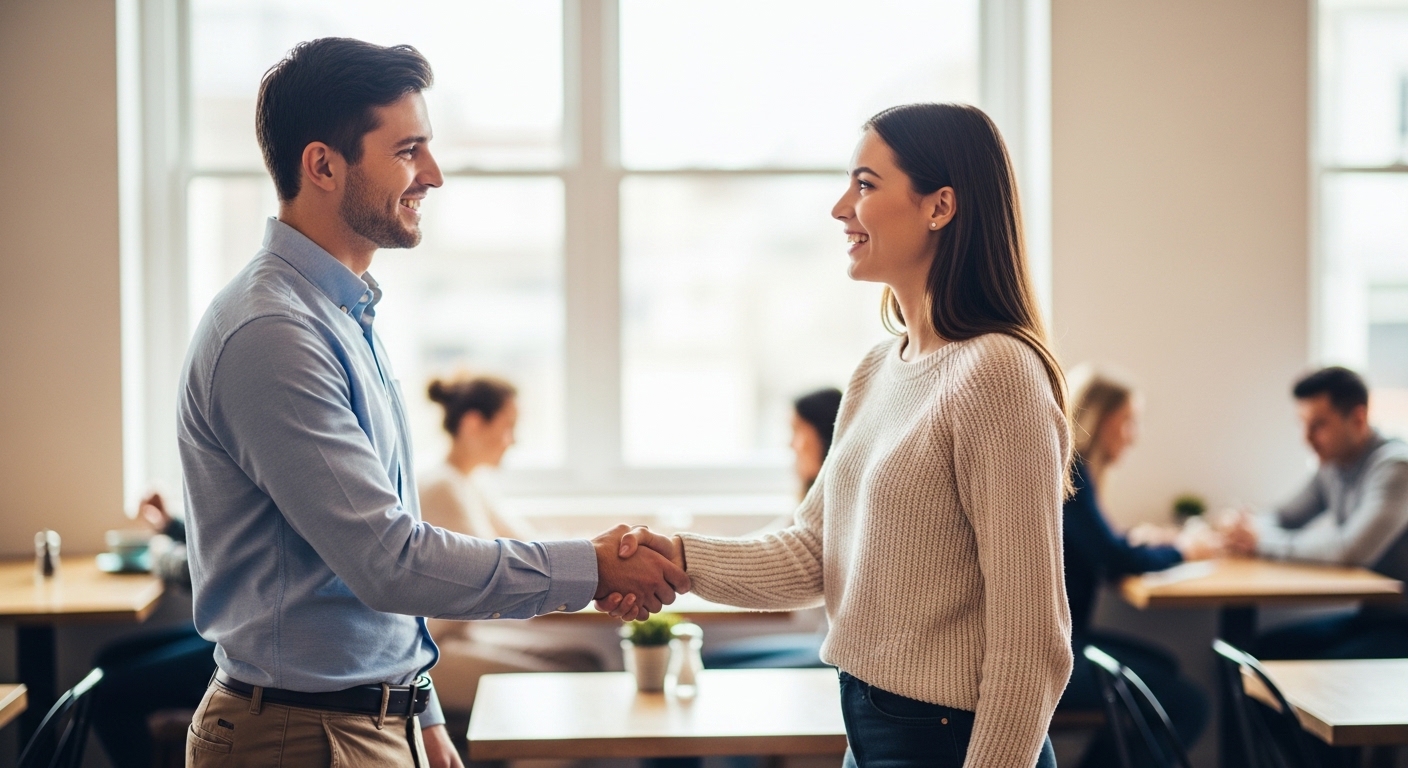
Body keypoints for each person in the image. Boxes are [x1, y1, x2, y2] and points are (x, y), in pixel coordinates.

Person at [177, 38, 685, 768]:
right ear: (323, 165)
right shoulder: (273, 334)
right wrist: (595, 568)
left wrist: (422, 710)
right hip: (302, 737)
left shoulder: (341, 316)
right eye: (408, 150)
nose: (434, 174)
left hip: (369, 721)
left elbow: (373, 563)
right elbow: (390, 561)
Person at [618, 103, 1073, 768]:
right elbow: (813, 553)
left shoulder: (997, 373)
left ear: (940, 206)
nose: (840, 209)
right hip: (870, 722)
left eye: (864, 184)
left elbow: (1033, 640)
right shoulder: (878, 369)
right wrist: (677, 558)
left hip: (948, 739)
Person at [417, 374, 603, 718]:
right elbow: (497, 573)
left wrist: (600, 552)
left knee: (586, 661)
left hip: (463, 636)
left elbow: (529, 544)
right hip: (435, 648)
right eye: (508, 426)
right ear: (473, 424)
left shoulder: (470, 482)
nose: (513, 440)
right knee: (567, 691)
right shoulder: (442, 487)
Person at [1056, 367, 1214, 767]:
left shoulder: (1075, 474)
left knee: (1164, 668)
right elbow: (1115, 560)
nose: (1133, 435)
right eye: (1129, 421)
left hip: (1068, 640)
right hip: (1056, 653)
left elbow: (1102, 548)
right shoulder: (1071, 475)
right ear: (1101, 420)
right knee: (1188, 705)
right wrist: (1183, 550)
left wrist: (1139, 540)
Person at [1221, 366, 1408, 659]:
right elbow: (1284, 516)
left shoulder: (1395, 467)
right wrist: (1245, 527)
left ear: (1358, 418)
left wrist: (1259, 541)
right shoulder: (1333, 465)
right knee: (1260, 652)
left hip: (1399, 625)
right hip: (1373, 618)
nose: (1306, 438)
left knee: (1293, 667)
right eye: (1303, 425)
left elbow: (1349, 551)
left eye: (1318, 425)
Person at [700, 387, 843, 671]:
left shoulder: (838, 502)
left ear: (823, 435)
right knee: (708, 660)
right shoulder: (815, 500)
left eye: (797, 432)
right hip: (819, 640)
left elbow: (776, 549)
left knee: (714, 667)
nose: (791, 445)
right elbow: (767, 543)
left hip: (833, 654)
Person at [89, 493, 217, 768]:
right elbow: (217, 550)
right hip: (220, 633)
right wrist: (170, 525)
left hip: (238, 647)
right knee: (107, 660)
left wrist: (158, 554)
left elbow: (206, 570)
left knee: (106, 694)